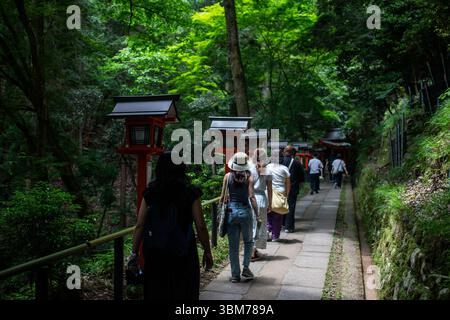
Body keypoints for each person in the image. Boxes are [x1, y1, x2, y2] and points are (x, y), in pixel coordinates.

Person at [129, 151, 213, 300]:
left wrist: (134, 254)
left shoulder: (150, 193)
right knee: (184, 291)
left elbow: (140, 226)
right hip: (184, 252)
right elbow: (200, 226)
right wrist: (207, 251)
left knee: (157, 291)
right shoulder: (190, 193)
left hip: (155, 253)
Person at [220, 152, 259, 283]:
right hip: (245, 211)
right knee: (248, 242)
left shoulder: (227, 176)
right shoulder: (250, 177)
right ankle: (246, 269)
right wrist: (257, 214)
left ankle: (235, 275)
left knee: (233, 245)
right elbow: (252, 197)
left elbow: (222, 198)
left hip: (231, 212)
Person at [249, 148, 272, 261]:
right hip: (262, 199)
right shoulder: (267, 170)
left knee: (252, 224)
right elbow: (270, 188)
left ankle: (252, 249)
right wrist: (270, 204)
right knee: (260, 225)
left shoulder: (250, 168)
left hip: (251, 198)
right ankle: (254, 250)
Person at [266, 152, 290, 242]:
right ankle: (275, 235)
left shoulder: (267, 167)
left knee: (268, 213)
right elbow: (288, 183)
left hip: (268, 192)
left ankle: (268, 230)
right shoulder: (284, 168)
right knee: (278, 215)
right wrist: (287, 194)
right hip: (280, 192)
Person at [282, 146, 305, 233]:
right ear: (292, 153)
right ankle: (289, 227)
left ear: (284, 152)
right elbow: (301, 177)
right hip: (292, 188)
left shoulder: (280, 162)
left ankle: (281, 224)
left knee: (280, 205)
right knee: (290, 207)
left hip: (280, 187)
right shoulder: (296, 163)